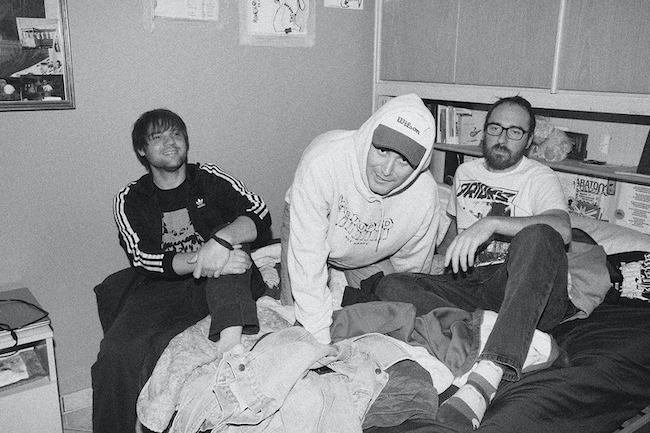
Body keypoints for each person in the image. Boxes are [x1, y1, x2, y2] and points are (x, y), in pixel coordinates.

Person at [374, 96, 576, 431]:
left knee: (539, 235)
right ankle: (507, 335)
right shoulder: (465, 172)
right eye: (495, 128)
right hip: (474, 286)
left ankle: (488, 374)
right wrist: (437, 262)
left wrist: (491, 224)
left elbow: (563, 229)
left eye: (515, 132)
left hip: (527, 288)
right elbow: (455, 236)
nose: (502, 138)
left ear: (528, 140)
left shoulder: (539, 177)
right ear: (484, 132)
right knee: (391, 283)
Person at [92, 108, 272, 433]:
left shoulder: (209, 178)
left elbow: (258, 213)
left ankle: (231, 348)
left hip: (224, 282)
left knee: (226, 235)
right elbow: (143, 257)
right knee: (115, 354)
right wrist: (208, 256)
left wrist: (222, 241)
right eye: (158, 137)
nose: (170, 142)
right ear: (141, 150)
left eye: (176, 134)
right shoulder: (131, 198)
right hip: (163, 286)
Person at [281, 93, 449, 345]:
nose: (387, 170)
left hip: (369, 252)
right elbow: (307, 255)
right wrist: (318, 335)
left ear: (419, 166)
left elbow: (412, 274)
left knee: (394, 315)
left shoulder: (424, 196)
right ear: (368, 138)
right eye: (382, 151)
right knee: (295, 322)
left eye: (403, 160)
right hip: (314, 232)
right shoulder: (323, 161)